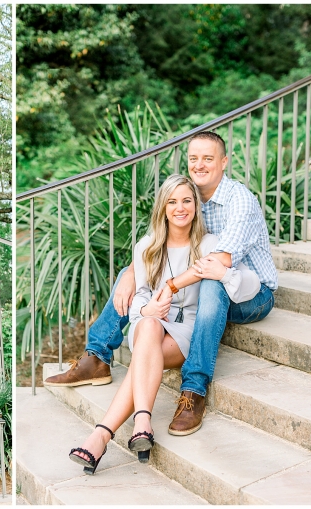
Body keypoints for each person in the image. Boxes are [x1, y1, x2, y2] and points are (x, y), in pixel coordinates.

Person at [46, 131, 278, 437]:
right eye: (194, 158)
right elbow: (162, 245)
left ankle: (194, 389)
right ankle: (98, 356)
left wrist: (168, 287)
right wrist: (132, 271)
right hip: (207, 285)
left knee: (211, 283)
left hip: (252, 292)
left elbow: (216, 261)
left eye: (208, 158)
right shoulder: (191, 194)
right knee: (127, 278)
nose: (199, 165)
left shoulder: (239, 201)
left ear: (223, 162)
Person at [69, 174, 261, 474]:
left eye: (187, 200)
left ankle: (102, 434)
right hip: (150, 328)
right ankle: (141, 420)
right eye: (172, 201)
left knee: (143, 359)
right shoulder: (147, 247)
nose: (180, 208)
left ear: (196, 206)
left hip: (187, 334)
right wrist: (148, 306)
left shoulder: (212, 244)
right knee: (147, 325)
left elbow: (249, 283)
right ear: (163, 207)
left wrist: (223, 274)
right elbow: (137, 302)